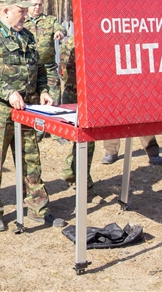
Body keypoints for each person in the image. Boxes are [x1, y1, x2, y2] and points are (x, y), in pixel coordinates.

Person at [0, 0, 65, 232]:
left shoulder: (27, 36)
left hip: (27, 108)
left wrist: (44, 90)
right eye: (21, 11)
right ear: (5, 11)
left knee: (30, 159)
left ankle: (38, 208)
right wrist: (9, 93)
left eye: (26, 11)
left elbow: (41, 68)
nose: (26, 15)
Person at [101, 0, 162, 167]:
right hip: (112, 71)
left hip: (136, 71)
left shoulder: (137, 13)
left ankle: (152, 151)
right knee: (113, 112)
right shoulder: (105, 15)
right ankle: (111, 151)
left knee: (142, 112)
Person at [58, 36, 102, 203]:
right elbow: (65, 70)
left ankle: (71, 172)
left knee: (81, 140)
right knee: (86, 140)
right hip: (79, 95)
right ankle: (84, 184)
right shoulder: (74, 42)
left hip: (80, 94)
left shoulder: (75, 40)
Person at [24, 0, 66, 141]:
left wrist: (60, 32)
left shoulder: (49, 20)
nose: (37, 7)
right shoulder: (23, 22)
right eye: (34, 5)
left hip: (49, 67)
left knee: (54, 96)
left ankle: (57, 131)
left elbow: (60, 28)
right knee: (36, 99)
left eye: (40, 4)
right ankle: (40, 130)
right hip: (32, 68)